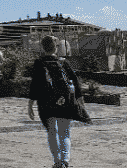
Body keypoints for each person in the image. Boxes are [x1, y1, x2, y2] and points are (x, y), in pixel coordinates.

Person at [28, 35, 84, 168]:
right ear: (56, 48)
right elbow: (75, 81)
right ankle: (65, 161)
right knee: (65, 132)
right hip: (64, 100)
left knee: (52, 132)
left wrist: (30, 105)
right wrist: (81, 101)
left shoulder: (39, 62)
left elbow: (35, 84)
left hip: (46, 102)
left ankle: (57, 162)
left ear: (42, 47)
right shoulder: (63, 62)